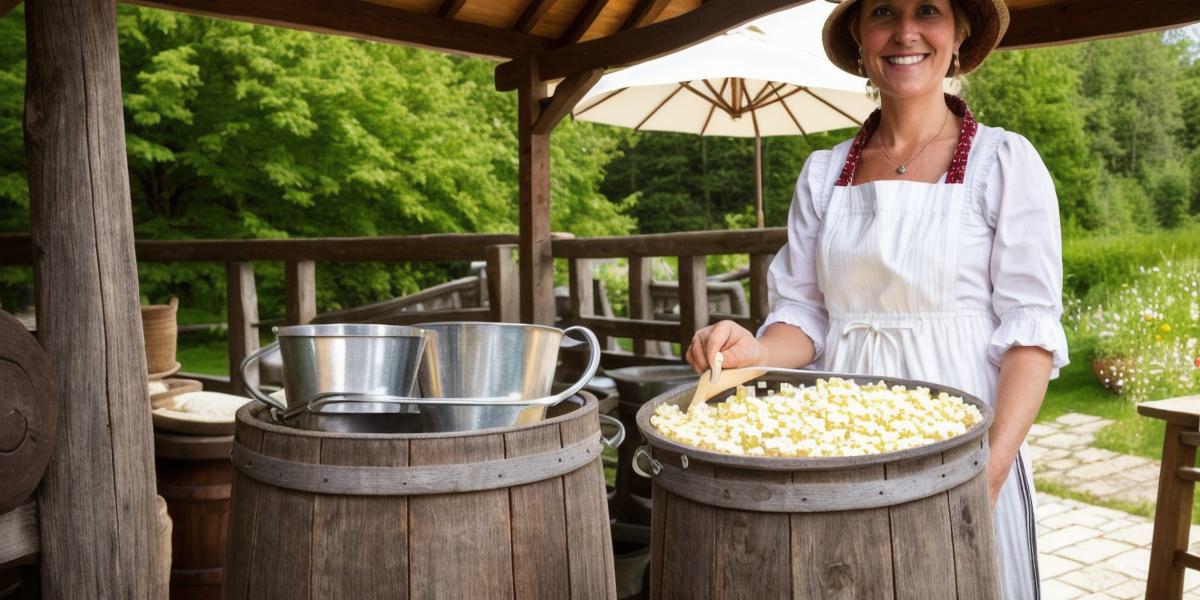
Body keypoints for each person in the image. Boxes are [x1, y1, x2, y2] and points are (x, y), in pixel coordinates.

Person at [685, 0, 1067, 597]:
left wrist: (986, 471)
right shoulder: (823, 173)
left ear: (959, 34)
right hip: (844, 438)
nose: (906, 32)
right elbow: (805, 317)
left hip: (962, 435)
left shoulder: (1005, 162)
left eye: (928, 10)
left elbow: (1030, 334)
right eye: (884, 11)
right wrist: (748, 350)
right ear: (860, 40)